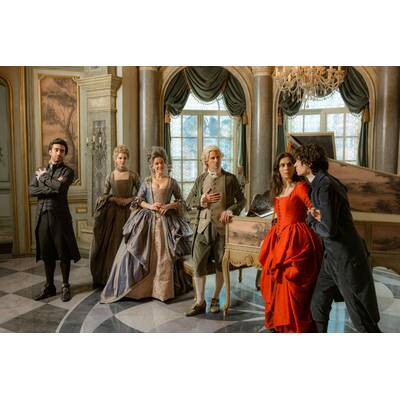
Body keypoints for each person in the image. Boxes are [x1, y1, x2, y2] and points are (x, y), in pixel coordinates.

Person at [294, 144, 381, 333]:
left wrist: (310, 220)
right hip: (332, 258)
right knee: (318, 304)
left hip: (345, 258)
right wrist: (317, 217)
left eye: (298, 160)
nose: (295, 164)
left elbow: (328, 230)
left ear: (309, 163)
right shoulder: (322, 183)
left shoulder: (325, 186)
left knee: (362, 319)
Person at [100, 146, 192, 303]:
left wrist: (169, 206)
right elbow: (138, 200)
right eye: (156, 163)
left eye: (161, 163)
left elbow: (181, 201)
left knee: (164, 256)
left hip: (166, 222)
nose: (159, 166)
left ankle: (162, 290)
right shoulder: (147, 181)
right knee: (139, 252)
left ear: (165, 164)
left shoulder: (172, 182)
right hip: (147, 220)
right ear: (152, 165)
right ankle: (142, 289)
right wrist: (151, 206)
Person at [258, 152, 323, 332]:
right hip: (279, 238)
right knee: (273, 279)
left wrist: (314, 211)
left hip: (296, 239)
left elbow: (311, 204)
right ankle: (279, 321)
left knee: (291, 280)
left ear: (294, 167)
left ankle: (293, 326)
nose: (286, 168)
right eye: (282, 165)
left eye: (289, 164)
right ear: (278, 169)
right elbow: (277, 217)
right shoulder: (279, 190)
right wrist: (268, 238)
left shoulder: (300, 186)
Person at [185, 145, 245, 316]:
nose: (216, 160)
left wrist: (231, 210)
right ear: (206, 160)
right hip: (202, 229)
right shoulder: (200, 179)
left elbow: (242, 201)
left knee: (221, 264)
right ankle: (200, 301)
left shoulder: (230, 179)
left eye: (218, 157)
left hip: (222, 230)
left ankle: (216, 298)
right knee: (198, 264)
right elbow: (188, 201)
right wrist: (201, 200)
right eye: (213, 158)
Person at [29, 137, 80, 302]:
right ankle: (49, 286)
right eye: (56, 150)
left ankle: (65, 286)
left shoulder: (67, 172)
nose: (59, 153)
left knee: (63, 252)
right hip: (42, 215)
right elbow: (31, 190)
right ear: (50, 151)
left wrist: (44, 179)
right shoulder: (40, 169)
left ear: (64, 154)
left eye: (62, 151)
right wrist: (51, 186)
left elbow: (60, 188)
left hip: (60, 217)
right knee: (47, 252)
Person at [89, 145, 140, 287]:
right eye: (120, 158)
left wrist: (129, 199)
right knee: (115, 243)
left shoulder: (133, 175)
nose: (122, 160)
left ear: (127, 159)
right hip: (114, 214)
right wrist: (115, 199)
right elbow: (104, 196)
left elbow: (141, 193)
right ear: (115, 160)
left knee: (129, 241)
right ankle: (112, 276)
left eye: (125, 158)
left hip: (130, 212)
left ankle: (129, 276)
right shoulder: (110, 176)